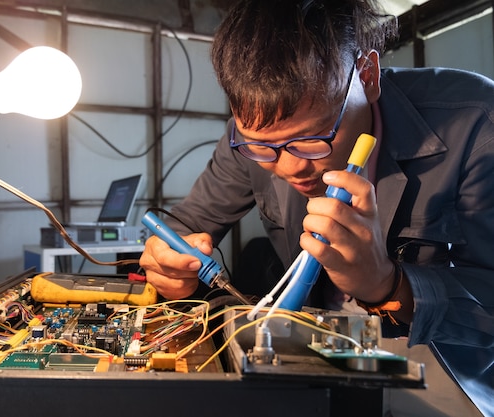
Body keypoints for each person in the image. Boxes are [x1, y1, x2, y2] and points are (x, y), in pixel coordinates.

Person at [139, 0, 494, 415]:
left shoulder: (477, 125)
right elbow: (185, 227)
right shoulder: (252, 139)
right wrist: (169, 263)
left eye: (312, 138)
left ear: (368, 75)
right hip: (309, 366)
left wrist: (387, 285)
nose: (290, 167)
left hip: (445, 378)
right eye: (262, 147)